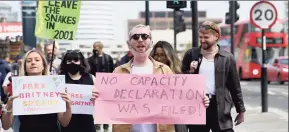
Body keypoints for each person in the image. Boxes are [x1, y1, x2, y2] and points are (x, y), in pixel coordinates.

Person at [112, 24, 210, 132]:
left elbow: (179, 97)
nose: (140, 40)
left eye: (144, 36)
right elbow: (108, 102)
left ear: (151, 43)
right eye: (135, 37)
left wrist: (198, 101)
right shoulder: (118, 72)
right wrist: (96, 97)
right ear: (129, 44)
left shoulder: (165, 70)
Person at [182, 21, 246, 132]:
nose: (202, 40)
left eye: (206, 37)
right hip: (197, 106)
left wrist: (241, 111)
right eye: (200, 37)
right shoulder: (191, 54)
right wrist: (190, 71)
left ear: (216, 36)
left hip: (220, 108)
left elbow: (235, 86)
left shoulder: (227, 58)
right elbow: (180, 79)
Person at [1, 50, 72, 132]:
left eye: (37, 60)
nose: (33, 63)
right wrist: (9, 108)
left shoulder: (55, 86)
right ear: (25, 67)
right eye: (29, 61)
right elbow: (6, 126)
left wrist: (68, 106)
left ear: (43, 66)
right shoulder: (18, 87)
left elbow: (64, 122)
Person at [58, 50, 99, 132]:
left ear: (81, 61)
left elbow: (101, 106)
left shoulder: (91, 78)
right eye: (69, 61)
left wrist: (97, 100)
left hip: (88, 125)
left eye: (75, 60)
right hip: (67, 126)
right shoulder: (59, 80)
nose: (72, 63)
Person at [150, 41, 186, 132]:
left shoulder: (179, 76)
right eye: (156, 54)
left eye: (162, 55)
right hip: (154, 120)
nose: (158, 58)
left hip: (175, 121)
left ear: (169, 57)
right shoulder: (148, 75)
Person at [87, 41, 113, 132]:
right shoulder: (90, 59)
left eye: (96, 47)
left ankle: (106, 126)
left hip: (107, 85)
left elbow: (112, 71)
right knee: (97, 106)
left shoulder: (108, 58)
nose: (94, 49)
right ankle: (97, 126)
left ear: (100, 47)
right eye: (93, 47)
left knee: (106, 106)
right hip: (96, 85)